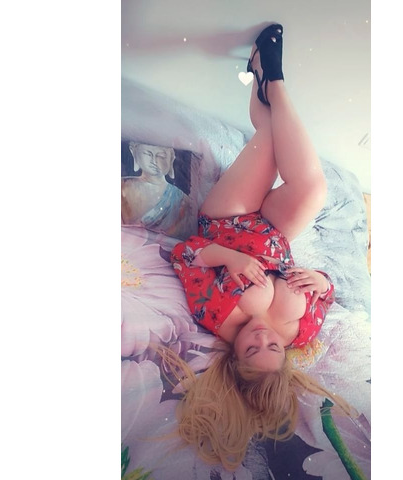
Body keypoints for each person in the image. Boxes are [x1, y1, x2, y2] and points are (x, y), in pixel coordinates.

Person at [167, 23, 357, 470]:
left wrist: (229, 257)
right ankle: (268, 76)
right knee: (314, 191)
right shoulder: (301, 332)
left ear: (235, 359)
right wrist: (321, 282)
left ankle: (270, 76)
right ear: (284, 359)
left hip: (227, 220)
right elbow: (325, 293)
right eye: (272, 349)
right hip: (275, 231)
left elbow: (186, 255)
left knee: (270, 139)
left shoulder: (218, 317)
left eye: (251, 349)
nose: (262, 339)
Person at [121, 142, 196, 239]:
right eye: (147, 154)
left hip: (166, 247)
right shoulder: (122, 186)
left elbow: (182, 235)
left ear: (171, 159)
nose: (154, 161)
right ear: (133, 152)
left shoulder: (180, 198)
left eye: (161, 156)